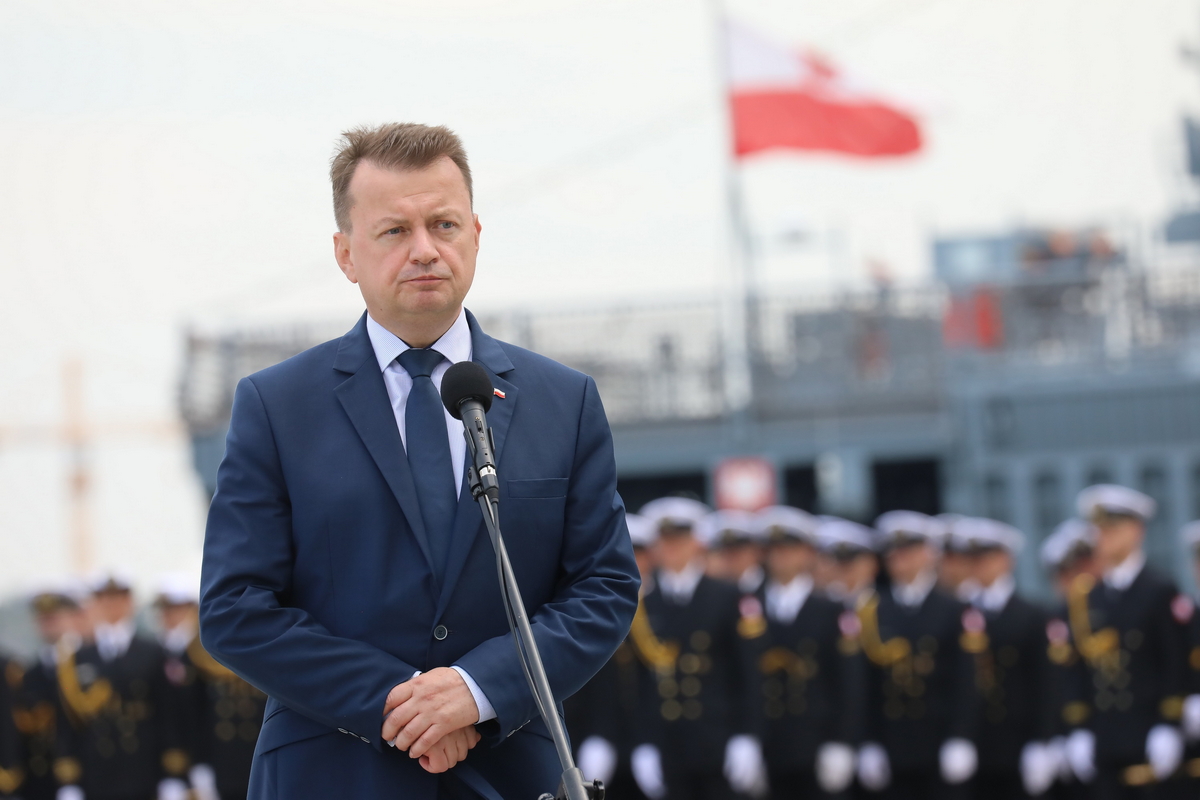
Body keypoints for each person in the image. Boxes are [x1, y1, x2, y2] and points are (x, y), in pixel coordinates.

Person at [199, 122, 640, 800]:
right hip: (331, 777)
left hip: (510, 773)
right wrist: (398, 703)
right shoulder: (277, 406)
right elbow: (235, 607)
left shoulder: (565, 401)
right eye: (394, 231)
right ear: (346, 253)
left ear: (476, 235)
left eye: (444, 225)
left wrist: (478, 689)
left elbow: (603, 587)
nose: (425, 250)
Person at [629, 499, 765, 800]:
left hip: (718, 736)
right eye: (665, 540)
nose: (672, 548)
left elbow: (746, 673)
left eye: (680, 539)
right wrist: (643, 742)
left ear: (697, 543)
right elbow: (640, 684)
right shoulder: (644, 604)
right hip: (668, 741)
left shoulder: (726, 596)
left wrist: (747, 735)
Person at [1062, 485, 1189, 799]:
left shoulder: (1159, 589)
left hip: (1148, 729)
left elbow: (1175, 660)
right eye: (1099, 530)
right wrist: (1078, 728)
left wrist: (1169, 723)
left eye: (1112, 529)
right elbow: (1079, 666)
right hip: (1105, 734)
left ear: (1136, 531)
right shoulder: (1088, 595)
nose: (1103, 538)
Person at [857, 511, 980, 800]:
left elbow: (965, 679)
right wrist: (868, 740)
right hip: (892, 739)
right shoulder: (873, 610)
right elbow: (865, 683)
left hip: (939, 736)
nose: (900, 559)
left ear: (929, 554)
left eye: (909, 551)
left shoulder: (954, 609)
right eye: (893, 552)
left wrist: (961, 736)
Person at [754, 505, 861, 800]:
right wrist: (746, 739)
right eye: (774, 549)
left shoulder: (832, 609)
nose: (782, 557)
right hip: (768, 740)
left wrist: (842, 741)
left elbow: (848, 682)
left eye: (790, 549)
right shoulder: (749, 607)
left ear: (808, 553)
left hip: (817, 738)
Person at [956, 518, 1056, 800]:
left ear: (1007, 560)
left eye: (987, 557)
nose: (979, 566)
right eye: (974, 559)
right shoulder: (957, 613)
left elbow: (1046, 682)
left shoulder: (1032, 615)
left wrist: (1043, 740)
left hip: (1019, 738)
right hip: (974, 739)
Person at [55, 570, 172, 800]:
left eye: (118, 598)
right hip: (97, 771)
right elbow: (69, 721)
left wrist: (173, 774)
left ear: (130, 602)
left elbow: (167, 713)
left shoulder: (152, 652)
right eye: (103, 599)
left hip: (143, 767)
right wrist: (70, 781)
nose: (110, 605)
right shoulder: (78, 657)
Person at [570, 512, 658, 800]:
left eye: (637, 552)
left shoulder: (665, 605)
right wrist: (598, 734)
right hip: (594, 736)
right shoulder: (590, 605)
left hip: (654, 741)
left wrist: (650, 739)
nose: (630, 560)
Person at [155, 573, 266, 800]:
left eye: (178, 608)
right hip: (221, 759)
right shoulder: (192, 654)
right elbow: (190, 714)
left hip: (257, 753)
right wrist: (198, 763)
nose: (172, 616)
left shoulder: (260, 642)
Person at [8, 583, 85, 800]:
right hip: (41, 783)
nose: (49, 624)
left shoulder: (91, 665)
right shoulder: (29, 674)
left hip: (93, 780)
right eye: (43, 618)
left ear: (76, 617)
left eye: (55, 617)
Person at [814, 518, 878, 610]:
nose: (844, 567)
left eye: (852, 560)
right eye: (838, 560)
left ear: (872, 562)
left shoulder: (886, 604)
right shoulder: (816, 603)